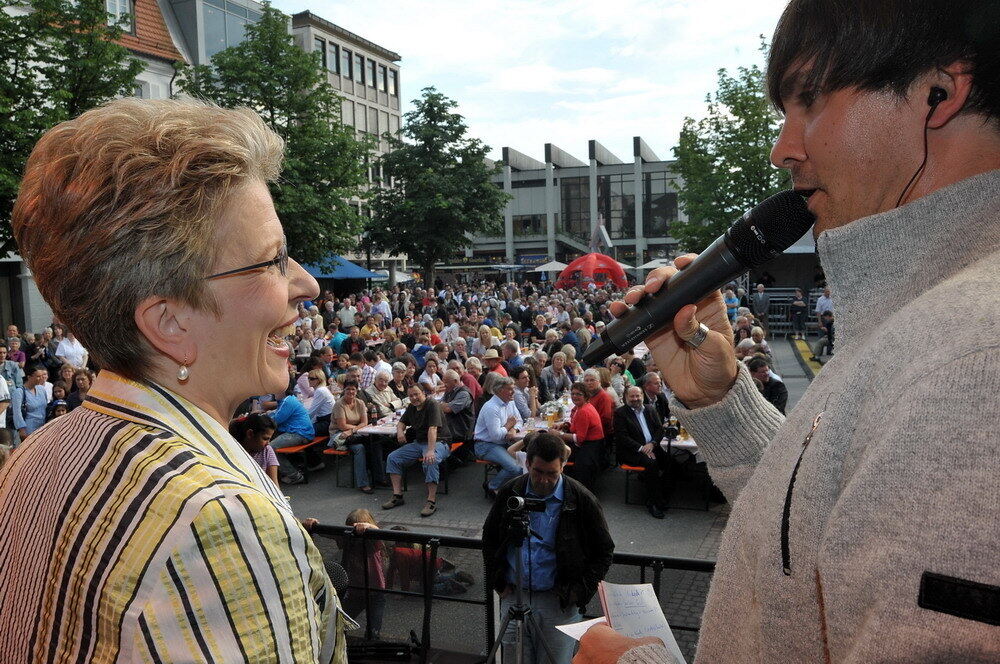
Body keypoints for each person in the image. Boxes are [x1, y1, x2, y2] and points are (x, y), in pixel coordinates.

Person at [581, 2, 1000, 661]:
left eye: (810, 99)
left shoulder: (973, 360)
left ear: (937, 93)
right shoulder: (929, 322)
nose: (783, 149)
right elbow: (817, 540)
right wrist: (724, 406)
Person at [0, 99, 350, 662]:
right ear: (170, 322)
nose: (306, 284)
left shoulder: (38, 455)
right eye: (272, 261)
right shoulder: (220, 518)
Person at [482, 432, 614, 664]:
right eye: (538, 472)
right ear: (528, 463)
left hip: (559, 602)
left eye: (551, 474)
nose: (543, 481)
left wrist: (578, 592)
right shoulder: (511, 491)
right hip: (515, 595)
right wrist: (498, 581)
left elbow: (603, 551)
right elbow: (490, 538)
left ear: (563, 466)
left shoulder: (583, 499)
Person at [383, 384, 450, 517]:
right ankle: (397, 495)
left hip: (439, 442)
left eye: (416, 394)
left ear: (423, 393)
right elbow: (402, 422)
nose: (414, 398)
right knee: (393, 457)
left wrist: (430, 451)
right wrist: (399, 431)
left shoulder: (432, 404)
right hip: (419, 443)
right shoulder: (411, 407)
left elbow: (433, 429)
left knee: (430, 460)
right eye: (411, 396)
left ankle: (431, 501)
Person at [614, 386, 672, 518]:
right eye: (632, 396)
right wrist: (642, 448)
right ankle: (653, 502)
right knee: (652, 464)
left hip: (651, 447)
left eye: (638, 396)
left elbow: (659, 430)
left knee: (670, 462)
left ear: (642, 396)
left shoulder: (650, 409)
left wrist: (652, 444)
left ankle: (663, 496)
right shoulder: (621, 413)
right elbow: (622, 437)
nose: (635, 399)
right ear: (626, 398)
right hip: (632, 451)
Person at [473, 376, 524, 496]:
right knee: (516, 468)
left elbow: (520, 420)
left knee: (526, 461)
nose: (513, 392)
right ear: (501, 390)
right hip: (485, 445)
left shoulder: (510, 402)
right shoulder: (491, 407)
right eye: (510, 389)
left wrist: (514, 429)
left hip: (503, 443)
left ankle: (511, 488)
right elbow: (495, 436)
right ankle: (492, 486)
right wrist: (508, 426)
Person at [331, 380, 384, 494]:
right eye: (348, 389)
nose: (350, 391)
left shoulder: (360, 402)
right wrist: (355, 429)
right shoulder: (339, 404)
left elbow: (365, 422)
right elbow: (342, 425)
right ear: (343, 390)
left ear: (357, 390)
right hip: (339, 435)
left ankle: (379, 478)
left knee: (375, 444)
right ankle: (363, 483)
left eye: (353, 389)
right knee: (360, 448)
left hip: (355, 432)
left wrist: (353, 430)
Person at [553, 382, 604, 492]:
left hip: (590, 447)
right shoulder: (582, 407)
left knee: (555, 452)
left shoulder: (583, 411)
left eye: (579, 394)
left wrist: (559, 434)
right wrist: (564, 425)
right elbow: (577, 426)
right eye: (573, 394)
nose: (575, 396)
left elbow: (579, 439)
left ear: (586, 396)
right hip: (593, 445)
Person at [230, 413, 279, 487]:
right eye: (265, 439)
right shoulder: (232, 450)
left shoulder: (267, 450)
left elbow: (274, 484)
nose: (268, 443)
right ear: (250, 434)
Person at [440, 369, 475, 461]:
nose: (444, 384)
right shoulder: (450, 390)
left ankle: (443, 460)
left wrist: (442, 405)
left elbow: (448, 409)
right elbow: (442, 404)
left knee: (433, 433)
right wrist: (443, 405)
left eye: (446, 382)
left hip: (461, 429)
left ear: (455, 381)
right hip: (452, 425)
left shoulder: (464, 394)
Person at [306, 369, 336, 435]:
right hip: (327, 420)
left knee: (302, 430)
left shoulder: (320, 391)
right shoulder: (322, 389)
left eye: (312, 379)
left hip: (327, 422)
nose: (309, 380)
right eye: (308, 378)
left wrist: (298, 421)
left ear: (319, 380)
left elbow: (311, 412)